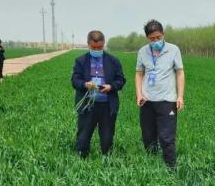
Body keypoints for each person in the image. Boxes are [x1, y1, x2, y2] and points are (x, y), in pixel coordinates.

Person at [135, 19, 185, 169]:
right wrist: (139, 94)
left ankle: (171, 169)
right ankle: (153, 168)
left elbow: (180, 73)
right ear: (147, 38)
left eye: (158, 37)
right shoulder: (143, 51)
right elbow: (138, 74)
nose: (156, 41)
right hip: (147, 101)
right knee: (148, 137)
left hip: (167, 100)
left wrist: (180, 96)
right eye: (152, 38)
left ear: (163, 34)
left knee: (166, 137)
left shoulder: (173, 50)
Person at [71, 30, 126, 158]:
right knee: (83, 135)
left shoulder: (113, 61)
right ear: (88, 44)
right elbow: (75, 80)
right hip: (87, 105)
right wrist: (85, 84)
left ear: (103, 44)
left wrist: (111, 86)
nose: (96, 49)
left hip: (107, 105)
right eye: (93, 47)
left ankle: (106, 158)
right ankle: (81, 158)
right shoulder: (81, 61)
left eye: (99, 47)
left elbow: (121, 80)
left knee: (107, 136)